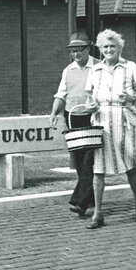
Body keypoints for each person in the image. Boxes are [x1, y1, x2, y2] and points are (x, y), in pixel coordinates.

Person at [84, 29, 136, 229]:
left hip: (124, 119)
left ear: (119, 48)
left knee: (130, 164)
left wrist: (131, 97)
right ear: (100, 49)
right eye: (105, 47)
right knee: (98, 168)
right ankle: (98, 214)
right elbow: (89, 98)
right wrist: (90, 106)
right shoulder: (95, 70)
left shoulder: (130, 67)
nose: (109, 50)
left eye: (112, 46)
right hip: (101, 121)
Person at [50, 32, 100, 218]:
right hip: (72, 118)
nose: (76, 54)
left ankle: (81, 203)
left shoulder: (98, 67)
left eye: (79, 50)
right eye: (73, 51)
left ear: (87, 49)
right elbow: (61, 94)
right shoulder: (68, 70)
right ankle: (90, 198)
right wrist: (54, 113)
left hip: (92, 118)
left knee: (88, 162)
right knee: (79, 162)